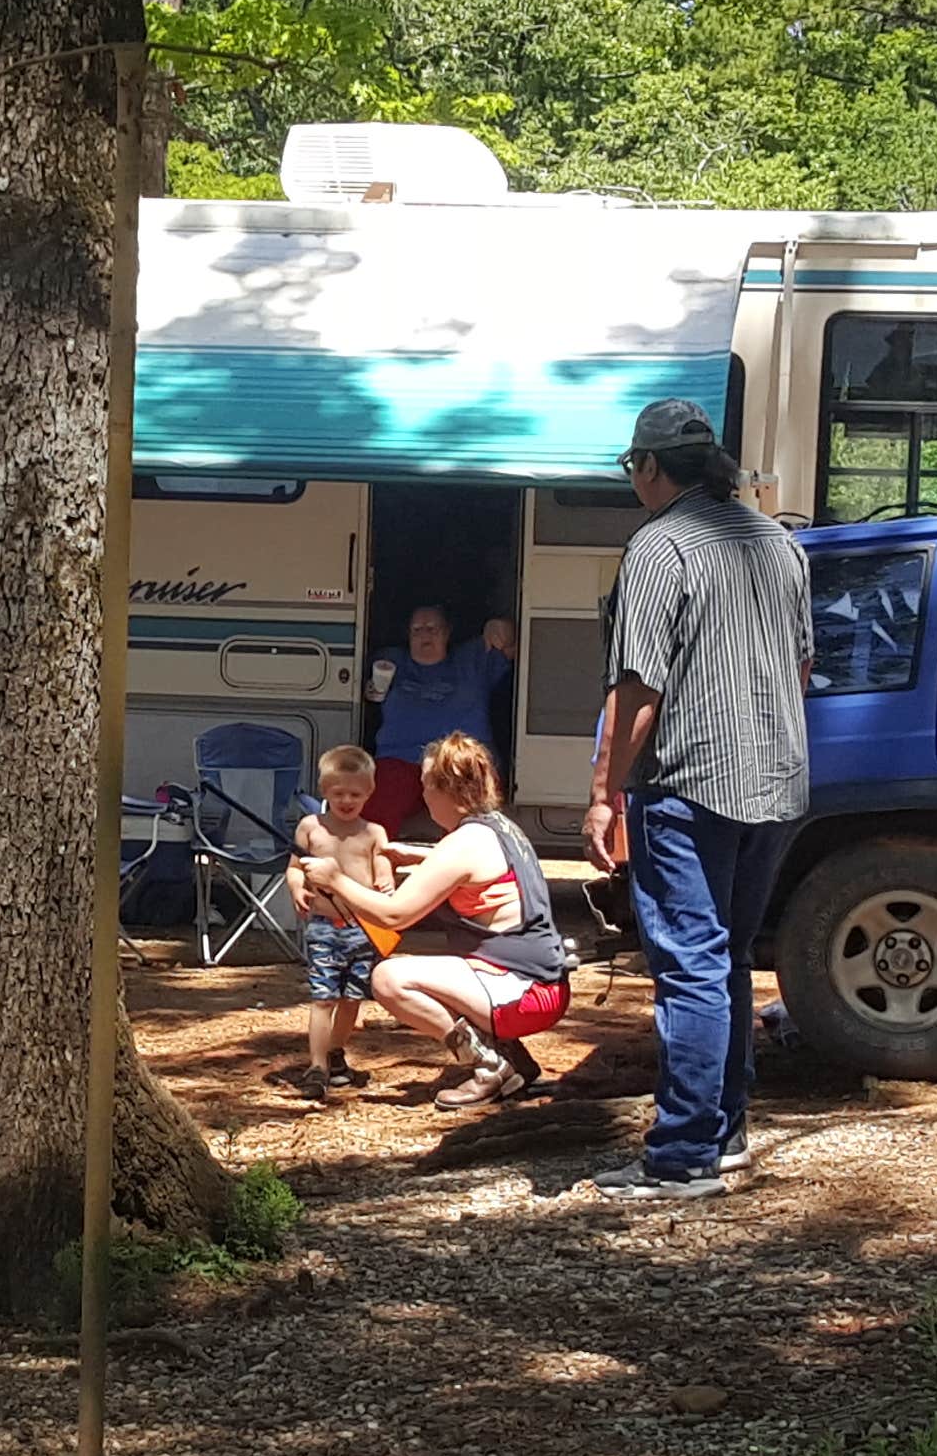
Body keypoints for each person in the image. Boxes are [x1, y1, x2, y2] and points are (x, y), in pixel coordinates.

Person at [587, 394, 811, 1198]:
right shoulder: (781, 545)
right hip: (778, 784)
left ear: (650, 467)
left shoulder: (657, 547)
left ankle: (681, 1156)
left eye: (631, 468)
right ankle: (727, 1132)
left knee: (688, 966)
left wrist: (607, 797)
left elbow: (637, 689)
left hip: (687, 783)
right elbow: (801, 670)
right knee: (729, 958)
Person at [322, 729, 574, 1109]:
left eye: (426, 786)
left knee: (389, 978)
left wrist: (335, 880)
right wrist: (421, 856)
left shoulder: (463, 843)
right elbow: (476, 868)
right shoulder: (499, 827)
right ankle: (515, 1062)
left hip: (525, 995)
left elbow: (394, 914)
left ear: (448, 790)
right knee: (448, 973)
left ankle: (489, 1065)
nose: (422, 796)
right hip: (543, 983)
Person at [278, 744, 397, 1099]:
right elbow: (294, 868)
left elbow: (383, 868)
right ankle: (316, 1066)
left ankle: (335, 1051)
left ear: (369, 793)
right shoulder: (311, 828)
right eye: (338, 793)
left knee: (351, 999)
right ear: (324, 791)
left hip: (362, 929)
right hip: (325, 928)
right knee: (323, 997)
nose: (346, 800)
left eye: (355, 794)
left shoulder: (373, 832)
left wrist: (386, 881)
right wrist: (297, 888)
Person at [360, 603, 512, 829]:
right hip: (400, 759)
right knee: (374, 810)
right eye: (417, 629)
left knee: (470, 815)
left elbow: (517, 643)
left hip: (459, 760)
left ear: (448, 632)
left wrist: (502, 627)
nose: (425, 635)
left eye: (433, 628)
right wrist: (368, 690)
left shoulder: (472, 660)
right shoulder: (391, 661)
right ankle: (373, 860)